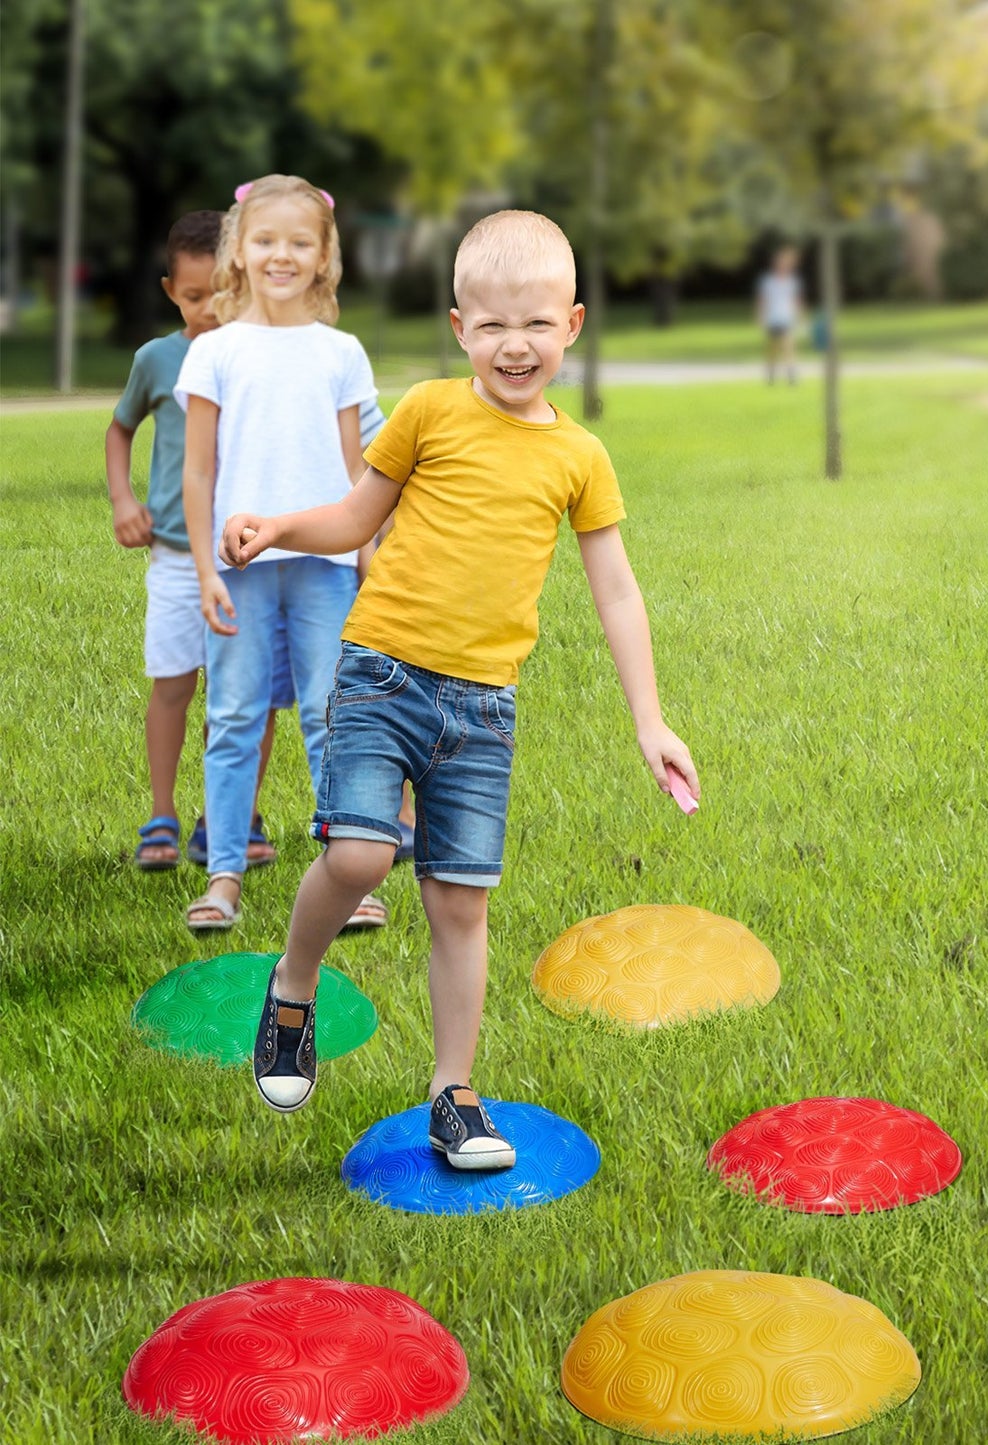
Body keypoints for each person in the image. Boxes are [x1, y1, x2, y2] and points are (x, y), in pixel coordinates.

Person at [220, 209, 698, 1168]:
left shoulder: (579, 456)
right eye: (491, 325)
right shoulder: (430, 410)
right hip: (381, 672)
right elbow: (357, 516)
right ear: (458, 328)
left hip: (482, 707)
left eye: (535, 323)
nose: (514, 345)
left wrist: (649, 719)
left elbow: (616, 589)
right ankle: (294, 987)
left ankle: (453, 1092)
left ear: (572, 324)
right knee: (360, 855)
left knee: (459, 903)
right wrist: (277, 527)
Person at [178, 174, 386, 933]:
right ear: (239, 250)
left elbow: (357, 470)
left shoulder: (341, 352)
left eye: (300, 242)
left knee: (334, 717)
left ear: (324, 256)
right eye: (265, 240)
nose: (282, 255)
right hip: (240, 568)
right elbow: (198, 472)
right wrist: (205, 569)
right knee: (235, 715)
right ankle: (225, 874)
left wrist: (368, 557)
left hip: (325, 566)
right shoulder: (215, 352)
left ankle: (347, 876)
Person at [104, 211, 284, 873]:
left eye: (223, 293)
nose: (209, 309)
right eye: (192, 295)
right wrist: (124, 500)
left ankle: (231, 816)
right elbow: (119, 429)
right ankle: (162, 814)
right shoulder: (157, 360)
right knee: (174, 684)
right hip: (178, 558)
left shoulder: (266, 358)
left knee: (249, 696)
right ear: (169, 291)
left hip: (248, 557)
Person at [757, 244, 803, 385]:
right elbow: (763, 300)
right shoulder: (768, 281)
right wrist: (761, 316)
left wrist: (799, 316)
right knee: (773, 349)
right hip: (772, 318)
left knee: (788, 346)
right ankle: (771, 374)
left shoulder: (792, 282)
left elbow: (795, 300)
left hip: (786, 317)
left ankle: (791, 375)